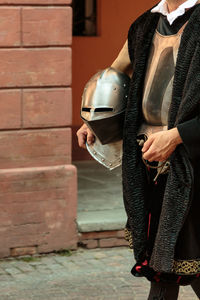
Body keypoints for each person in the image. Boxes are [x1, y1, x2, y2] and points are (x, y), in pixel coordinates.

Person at [77, 0, 200, 298]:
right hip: (152, 164)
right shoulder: (145, 25)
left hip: (193, 165)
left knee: (188, 258)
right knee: (164, 263)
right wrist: (93, 120)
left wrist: (178, 136)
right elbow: (116, 71)